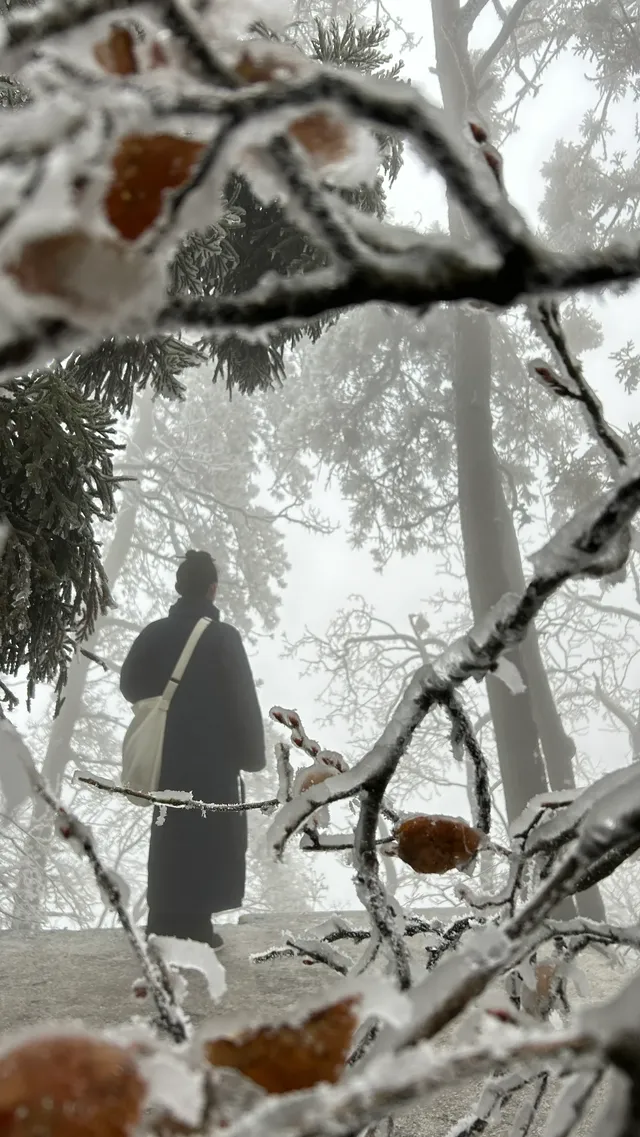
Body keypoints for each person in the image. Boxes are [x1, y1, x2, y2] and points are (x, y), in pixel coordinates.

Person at [119, 550, 265, 949]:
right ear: (212, 589)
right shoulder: (222, 637)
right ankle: (196, 930)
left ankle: (161, 925)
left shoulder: (154, 633)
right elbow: (242, 700)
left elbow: (130, 685)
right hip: (213, 761)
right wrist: (252, 754)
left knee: (168, 833)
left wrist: (164, 705)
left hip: (168, 754)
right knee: (206, 837)